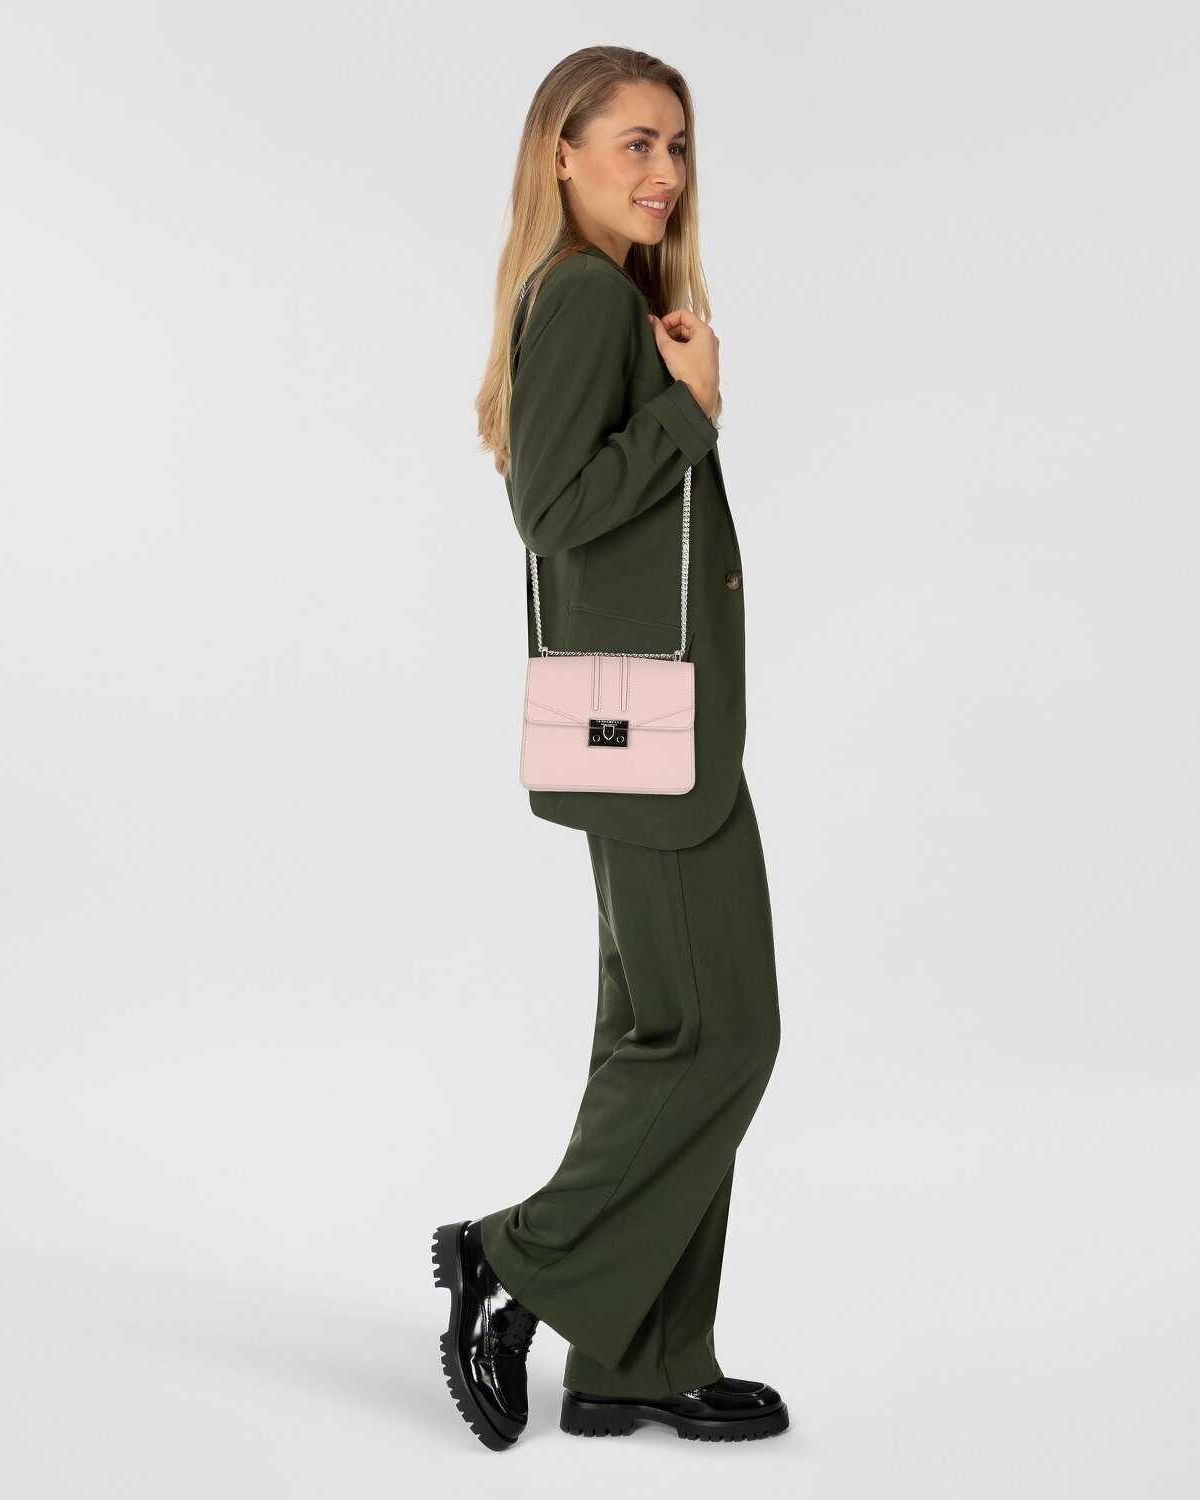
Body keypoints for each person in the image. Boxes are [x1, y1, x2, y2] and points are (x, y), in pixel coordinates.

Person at [434, 45, 787, 1449]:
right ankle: (514, 1257)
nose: (664, 174)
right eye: (636, 143)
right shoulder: (583, 294)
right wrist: (689, 415)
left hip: (644, 724)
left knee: (657, 1037)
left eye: (677, 147)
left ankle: (639, 1358)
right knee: (721, 1035)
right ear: (562, 153)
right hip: (655, 735)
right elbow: (553, 508)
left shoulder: (607, 295)